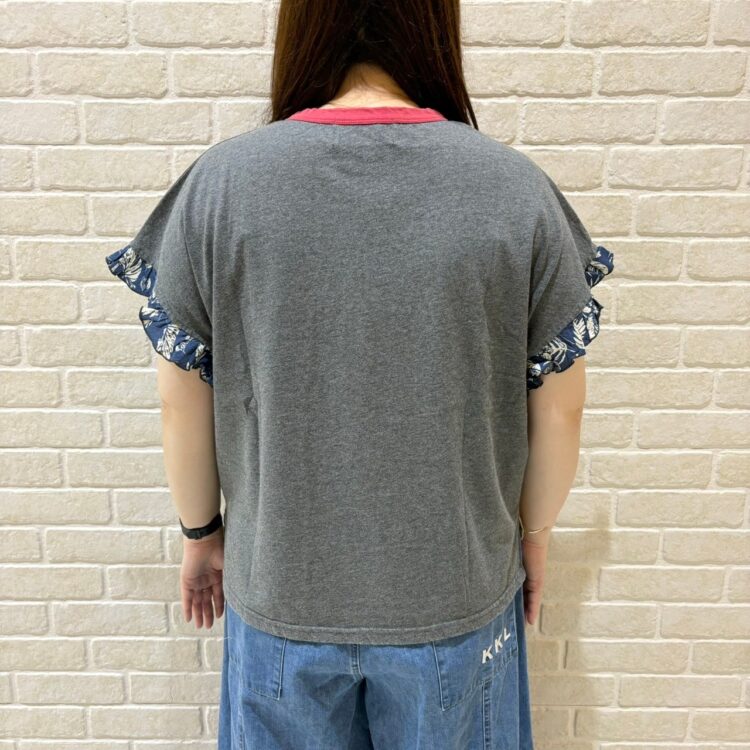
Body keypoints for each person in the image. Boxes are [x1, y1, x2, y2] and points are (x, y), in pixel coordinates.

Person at [104, 0, 614, 747]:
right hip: (455, 593)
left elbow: (179, 396)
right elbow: (561, 407)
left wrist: (201, 532)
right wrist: (532, 535)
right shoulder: (513, 188)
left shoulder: (223, 184)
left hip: (281, 590)